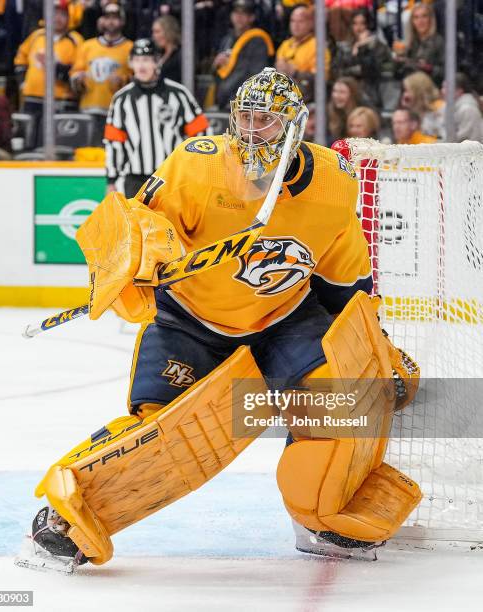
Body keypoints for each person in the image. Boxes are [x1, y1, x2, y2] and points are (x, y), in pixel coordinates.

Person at [21, 68, 421, 570]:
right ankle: (66, 520)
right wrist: (143, 258)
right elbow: (137, 222)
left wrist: (374, 345)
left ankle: (323, 515)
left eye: (267, 122)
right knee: (161, 432)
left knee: (339, 408)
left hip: (286, 317)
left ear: (296, 126)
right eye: (246, 119)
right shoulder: (198, 164)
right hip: (191, 317)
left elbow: (344, 283)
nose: (253, 132)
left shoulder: (334, 183)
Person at [104, 38, 209, 197]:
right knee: (136, 223)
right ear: (131, 63)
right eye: (137, 60)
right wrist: (111, 181)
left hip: (170, 177)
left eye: (146, 60)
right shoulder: (121, 99)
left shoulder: (178, 94)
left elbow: (202, 134)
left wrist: (196, 170)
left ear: (157, 62)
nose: (141, 66)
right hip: (135, 179)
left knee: (171, 222)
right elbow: (114, 143)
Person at [14, 0, 84, 147]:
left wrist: (55, 67)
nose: (57, 18)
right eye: (54, 14)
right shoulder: (36, 36)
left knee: (60, 143)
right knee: (30, 142)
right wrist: (22, 82)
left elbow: (77, 74)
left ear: (68, 17)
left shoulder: (76, 41)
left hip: (61, 102)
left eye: (62, 14)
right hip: (33, 100)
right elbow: (20, 60)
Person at [71, 3, 133, 145]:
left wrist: (123, 81)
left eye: (115, 18)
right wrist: (78, 79)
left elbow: (137, 80)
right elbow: (75, 72)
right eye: (107, 17)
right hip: (88, 108)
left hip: (117, 112)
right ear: (101, 20)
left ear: (122, 21)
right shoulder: (87, 46)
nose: (111, 21)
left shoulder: (130, 48)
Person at [212, 0, 274, 110]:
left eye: (244, 14)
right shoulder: (227, 40)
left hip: (246, 103)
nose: (239, 17)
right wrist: (216, 65)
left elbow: (256, 76)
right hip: (224, 99)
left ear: (252, 18)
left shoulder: (258, 41)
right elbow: (217, 75)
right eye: (236, 13)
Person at [332, 8, 393, 109]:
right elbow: (338, 72)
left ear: (369, 25)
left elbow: (371, 71)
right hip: (345, 93)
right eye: (355, 24)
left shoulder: (379, 46)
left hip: (370, 94)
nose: (358, 28)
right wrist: (355, 53)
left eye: (362, 23)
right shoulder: (343, 46)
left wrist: (362, 49)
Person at [275, 5, 330, 83]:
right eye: (293, 21)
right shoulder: (285, 45)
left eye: (300, 21)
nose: (296, 25)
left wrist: (296, 73)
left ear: (311, 23)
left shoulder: (317, 46)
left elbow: (322, 78)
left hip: (307, 92)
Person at [393, 2, 444, 85]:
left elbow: (446, 71)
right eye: (416, 17)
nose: (420, 21)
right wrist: (398, 62)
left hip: (430, 86)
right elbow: (398, 74)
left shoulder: (438, 41)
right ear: (412, 21)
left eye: (424, 16)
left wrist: (429, 68)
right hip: (410, 87)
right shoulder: (410, 42)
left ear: (430, 19)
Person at [439, 73, 483, 143]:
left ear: (459, 91)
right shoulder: (447, 106)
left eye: (446, 88)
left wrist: (438, 143)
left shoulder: (468, 109)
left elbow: (464, 138)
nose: (442, 91)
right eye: (443, 87)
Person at [400, 71, 444, 139]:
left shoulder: (439, 108)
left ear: (418, 91)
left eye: (407, 90)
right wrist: (406, 108)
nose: (405, 95)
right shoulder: (420, 110)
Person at [327, 76, 361, 142]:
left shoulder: (360, 114)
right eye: (335, 91)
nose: (336, 96)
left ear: (352, 94)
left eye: (342, 92)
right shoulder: (327, 112)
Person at [152, 15, 181, 83]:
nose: (154, 35)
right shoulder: (157, 53)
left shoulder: (180, 55)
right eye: (153, 32)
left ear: (168, 31)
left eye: (157, 31)